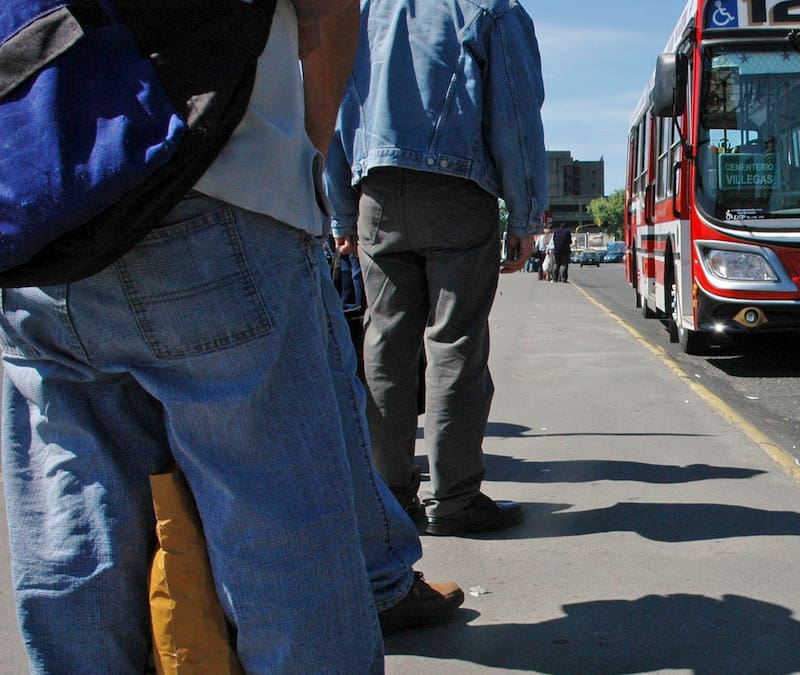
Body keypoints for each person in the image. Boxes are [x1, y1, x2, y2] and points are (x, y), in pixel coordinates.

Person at [0, 2, 459, 672]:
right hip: (213, 176)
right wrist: (303, 159)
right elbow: (327, 16)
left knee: (77, 547)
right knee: (282, 548)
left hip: (34, 201)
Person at [326, 0, 548, 536]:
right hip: (457, 191)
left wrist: (340, 209)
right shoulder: (492, 9)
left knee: (385, 347)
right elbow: (515, 114)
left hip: (375, 190)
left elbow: (337, 106)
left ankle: (391, 501)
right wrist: (524, 213)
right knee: (456, 345)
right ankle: (455, 501)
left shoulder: (366, 10)